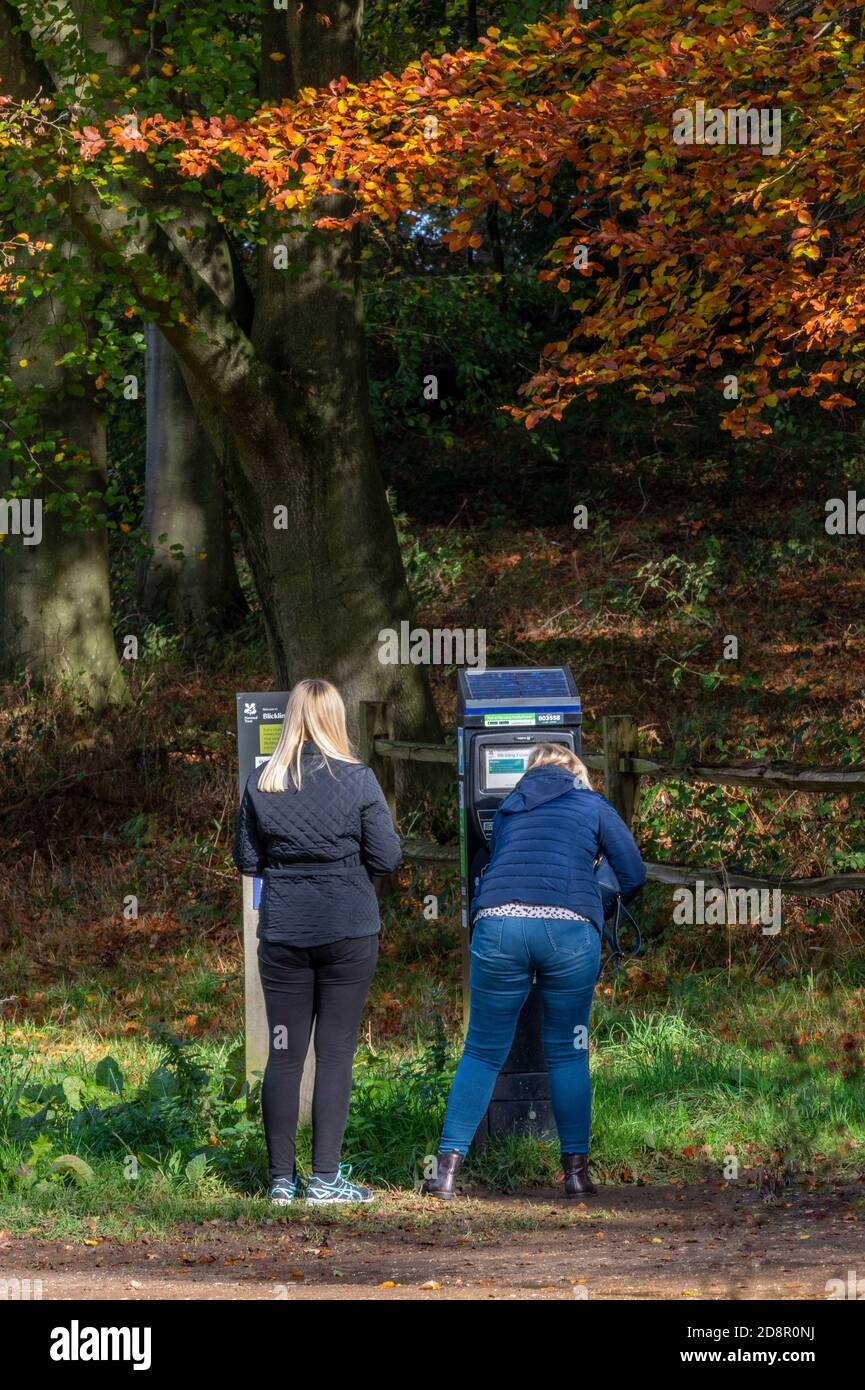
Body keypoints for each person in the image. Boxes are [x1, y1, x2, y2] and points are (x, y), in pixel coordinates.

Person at [422, 742, 645, 1201]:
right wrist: (595, 895)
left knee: (482, 1051)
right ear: (577, 772)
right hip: (567, 933)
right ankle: (576, 1176)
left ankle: (445, 1173)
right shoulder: (592, 804)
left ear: (530, 773)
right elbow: (633, 873)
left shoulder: (508, 807)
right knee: (567, 1052)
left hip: (499, 927)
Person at [232, 678, 401, 1205]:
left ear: (290, 720)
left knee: (283, 1055)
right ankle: (325, 1180)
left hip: (284, 931)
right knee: (334, 1054)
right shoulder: (359, 780)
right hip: (348, 929)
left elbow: (247, 859)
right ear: (334, 719)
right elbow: (388, 858)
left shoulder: (264, 781)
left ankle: (281, 1181)